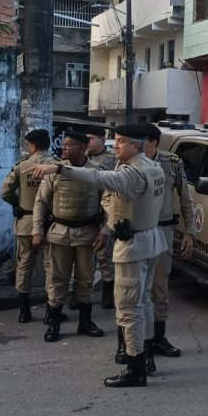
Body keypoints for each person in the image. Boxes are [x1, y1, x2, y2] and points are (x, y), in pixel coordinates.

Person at [32, 124, 167, 387]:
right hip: (150, 239)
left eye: (120, 141)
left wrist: (59, 168)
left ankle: (135, 366)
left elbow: (99, 179)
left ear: (136, 145)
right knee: (144, 304)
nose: (114, 146)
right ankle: (147, 358)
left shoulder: (133, 173)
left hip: (134, 245)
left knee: (129, 309)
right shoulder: (152, 166)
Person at [33, 130, 105, 342]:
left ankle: (85, 322)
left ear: (82, 148)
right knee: (57, 279)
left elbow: (109, 204)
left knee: (85, 280)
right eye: (63, 144)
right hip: (60, 233)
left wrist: (105, 231)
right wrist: (37, 230)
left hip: (87, 233)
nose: (63, 148)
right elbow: (41, 202)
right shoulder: (53, 171)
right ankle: (54, 323)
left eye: (69, 144)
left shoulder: (97, 172)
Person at [143, 124, 196, 359]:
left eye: (141, 141)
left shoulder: (171, 162)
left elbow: (186, 198)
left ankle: (158, 337)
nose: (135, 146)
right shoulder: (125, 164)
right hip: (137, 232)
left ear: (154, 142)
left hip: (163, 231)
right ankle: (130, 342)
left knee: (160, 287)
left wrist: (189, 232)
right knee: (133, 289)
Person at [0, 128, 55, 322]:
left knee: (23, 265)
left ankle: (24, 311)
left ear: (32, 146)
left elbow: (5, 191)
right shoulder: (57, 165)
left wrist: (17, 204)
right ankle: (51, 311)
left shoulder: (22, 166)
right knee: (51, 267)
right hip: (50, 223)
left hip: (26, 221)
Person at [86, 125, 118, 309]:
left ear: (102, 140)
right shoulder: (82, 158)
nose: (88, 142)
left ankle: (108, 294)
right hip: (85, 214)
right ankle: (82, 296)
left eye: (91, 138)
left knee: (105, 256)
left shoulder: (113, 159)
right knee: (85, 259)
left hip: (105, 213)